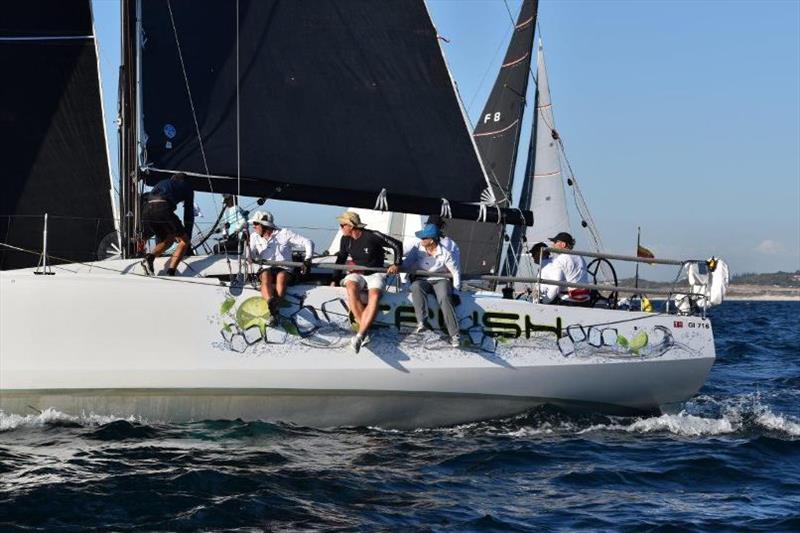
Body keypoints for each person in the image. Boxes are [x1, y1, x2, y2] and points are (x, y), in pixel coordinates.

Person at [333, 211, 402, 353]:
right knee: (351, 287)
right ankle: (363, 332)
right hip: (357, 273)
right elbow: (341, 258)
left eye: (342, 225)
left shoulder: (372, 236)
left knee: (375, 296)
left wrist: (396, 263)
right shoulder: (345, 239)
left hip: (376, 273)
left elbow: (397, 244)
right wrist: (334, 279)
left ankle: (360, 334)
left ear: (351, 226)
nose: (340, 227)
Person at [247, 210, 314, 325]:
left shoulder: (284, 233)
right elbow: (251, 257)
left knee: (281, 277)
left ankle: (273, 311)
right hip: (266, 268)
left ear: (264, 225)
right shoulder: (253, 237)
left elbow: (308, 242)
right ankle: (273, 305)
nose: (254, 226)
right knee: (265, 276)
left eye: (256, 224)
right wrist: (246, 245)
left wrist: (307, 259)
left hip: (285, 268)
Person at [402, 224, 462, 347]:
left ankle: (454, 334)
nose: (421, 240)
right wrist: (397, 267)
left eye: (424, 238)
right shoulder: (418, 248)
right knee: (416, 287)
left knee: (445, 297)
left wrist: (456, 292)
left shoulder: (446, 253)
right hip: (423, 279)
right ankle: (422, 323)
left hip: (441, 279)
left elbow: (456, 273)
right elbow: (407, 263)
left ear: (432, 240)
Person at [140, 172, 194, 276]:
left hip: (147, 210)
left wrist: (145, 234)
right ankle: (171, 272)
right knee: (184, 240)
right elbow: (189, 212)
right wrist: (188, 236)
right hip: (162, 207)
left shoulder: (163, 182)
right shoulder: (187, 186)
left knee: (168, 239)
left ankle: (149, 258)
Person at [546, 232, 590, 305]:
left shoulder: (560, 259)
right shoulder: (580, 257)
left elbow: (555, 286)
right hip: (586, 300)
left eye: (555, 242)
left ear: (563, 244)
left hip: (568, 300)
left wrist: (545, 301)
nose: (553, 245)